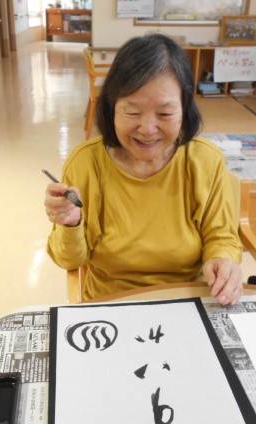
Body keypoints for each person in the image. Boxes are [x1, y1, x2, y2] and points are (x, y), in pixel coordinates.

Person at [44, 33, 243, 304]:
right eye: (132, 112)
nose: (148, 129)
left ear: (185, 109)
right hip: (111, 305)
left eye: (165, 113)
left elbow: (221, 236)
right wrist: (70, 224)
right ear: (111, 107)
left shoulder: (204, 160)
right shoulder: (86, 163)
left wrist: (223, 259)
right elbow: (69, 260)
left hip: (188, 303)